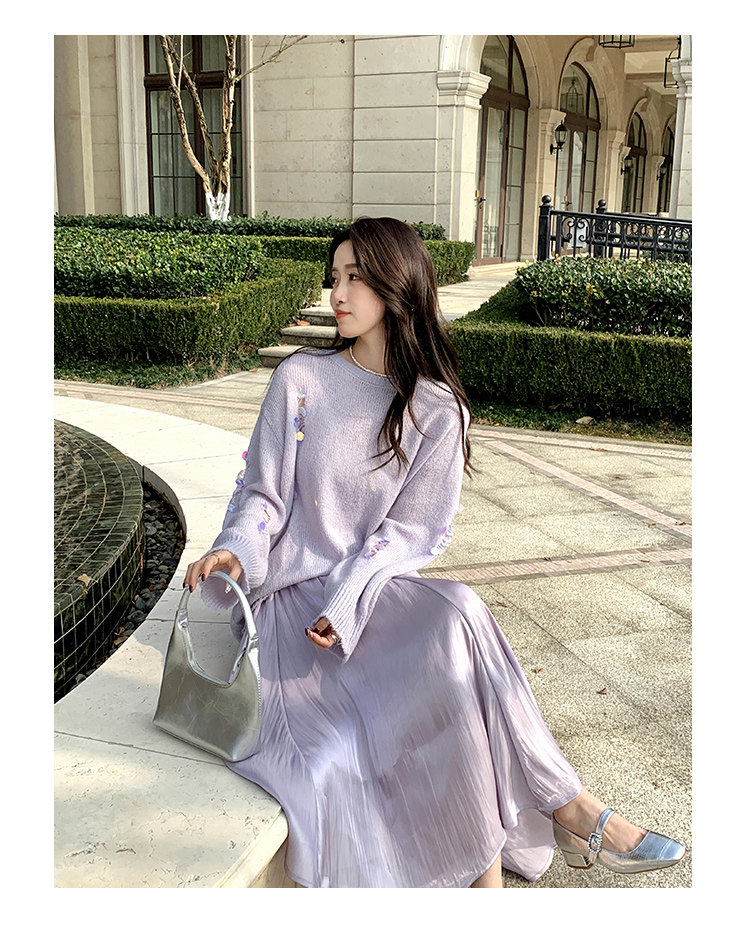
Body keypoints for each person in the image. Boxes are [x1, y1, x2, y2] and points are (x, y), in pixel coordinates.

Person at [183, 217, 685, 889]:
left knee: (457, 627)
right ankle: (571, 812)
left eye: (356, 278)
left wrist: (349, 597)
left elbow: (407, 534)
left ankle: (552, 828)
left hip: (364, 598)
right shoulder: (301, 381)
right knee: (459, 645)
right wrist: (237, 551)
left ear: (398, 286)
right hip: (292, 614)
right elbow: (263, 498)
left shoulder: (436, 408)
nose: (338, 294)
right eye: (335, 277)